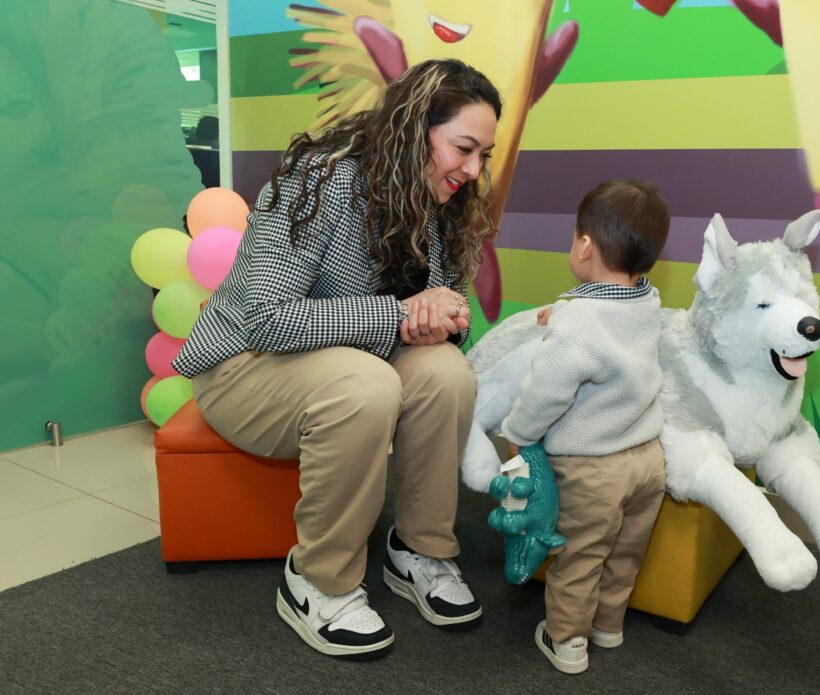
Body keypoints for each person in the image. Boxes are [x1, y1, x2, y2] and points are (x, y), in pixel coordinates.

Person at [172, 59, 502, 659]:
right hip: (243, 366)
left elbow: (438, 311)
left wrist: (445, 317)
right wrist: (398, 314)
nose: (474, 169)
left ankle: (418, 551)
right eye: (464, 148)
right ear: (413, 129)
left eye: (484, 154)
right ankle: (317, 580)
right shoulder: (318, 180)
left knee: (448, 373)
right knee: (367, 385)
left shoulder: (439, 202)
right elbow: (267, 318)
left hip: (349, 362)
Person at [500, 179, 670, 674]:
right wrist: (565, 313)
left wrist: (518, 434)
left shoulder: (578, 323)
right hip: (647, 460)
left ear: (585, 245)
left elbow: (548, 390)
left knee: (581, 556)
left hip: (593, 470)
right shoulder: (648, 301)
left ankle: (567, 639)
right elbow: (609, 323)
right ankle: (608, 626)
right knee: (625, 551)